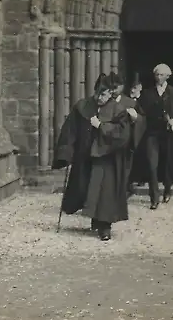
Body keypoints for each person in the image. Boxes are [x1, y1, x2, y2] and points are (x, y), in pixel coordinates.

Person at [52, 72, 135, 241]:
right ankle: (95, 220)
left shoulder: (118, 110)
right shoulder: (83, 106)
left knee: (105, 192)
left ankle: (105, 227)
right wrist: (66, 152)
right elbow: (70, 130)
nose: (99, 98)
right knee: (87, 189)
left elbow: (123, 134)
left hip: (107, 157)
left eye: (103, 94)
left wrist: (102, 126)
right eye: (98, 93)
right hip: (85, 156)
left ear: (110, 93)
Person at [138, 64, 173, 210]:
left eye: (161, 75)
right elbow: (141, 112)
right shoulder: (147, 93)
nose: (159, 77)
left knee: (167, 163)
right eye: (157, 75)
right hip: (152, 134)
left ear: (167, 76)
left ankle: (167, 189)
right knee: (152, 165)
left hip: (168, 134)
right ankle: (154, 198)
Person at [125, 72, 148, 196]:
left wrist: (137, 118)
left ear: (140, 88)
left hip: (141, 132)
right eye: (132, 88)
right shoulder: (126, 100)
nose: (133, 90)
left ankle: (141, 178)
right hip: (129, 131)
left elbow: (145, 116)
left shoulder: (144, 100)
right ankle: (128, 182)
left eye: (135, 88)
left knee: (140, 155)